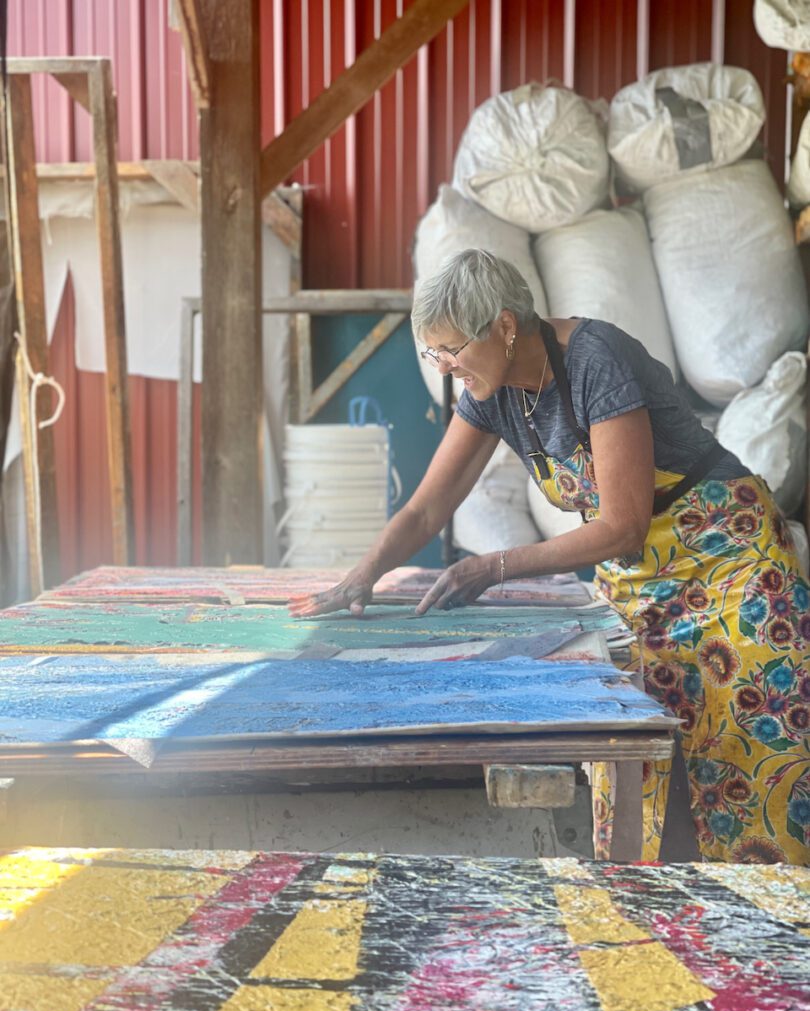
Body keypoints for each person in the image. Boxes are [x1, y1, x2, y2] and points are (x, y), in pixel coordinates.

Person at [290, 249, 810, 865]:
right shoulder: (492, 391)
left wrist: (494, 566)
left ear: (506, 327)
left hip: (730, 563)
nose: (447, 368)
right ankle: (660, 922)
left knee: (750, 759)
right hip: (644, 582)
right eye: (435, 356)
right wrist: (362, 576)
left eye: (453, 350)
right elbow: (427, 510)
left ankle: (771, 940)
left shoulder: (595, 360)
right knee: (637, 761)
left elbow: (621, 526)